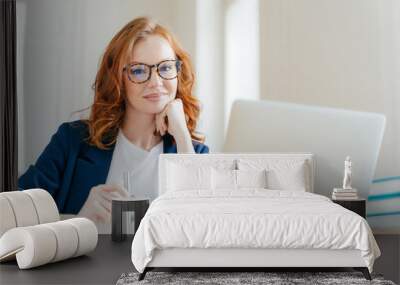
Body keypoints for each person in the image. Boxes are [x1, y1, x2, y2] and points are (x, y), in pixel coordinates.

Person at [18, 17, 209, 229]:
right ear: (117, 78)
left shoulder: (194, 153)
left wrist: (182, 134)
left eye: (165, 68)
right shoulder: (72, 141)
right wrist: (81, 219)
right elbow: (13, 217)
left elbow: (205, 227)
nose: (156, 82)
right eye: (138, 70)